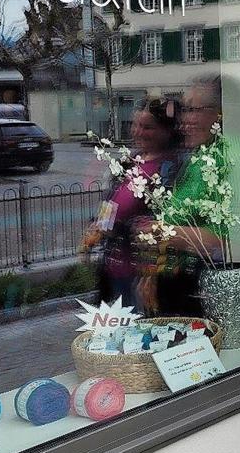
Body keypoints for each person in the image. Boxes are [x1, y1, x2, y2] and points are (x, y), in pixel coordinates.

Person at [136, 76, 228, 317]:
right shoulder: (195, 159)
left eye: (192, 110)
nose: (183, 121)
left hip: (205, 291)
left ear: (219, 114)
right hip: (176, 287)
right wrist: (152, 272)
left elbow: (231, 240)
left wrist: (164, 233)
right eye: (183, 110)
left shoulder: (226, 159)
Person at [82, 97, 180, 311]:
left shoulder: (170, 169)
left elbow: (159, 224)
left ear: (166, 131)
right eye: (135, 125)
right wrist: (98, 225)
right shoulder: (130, 160)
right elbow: (111, 202)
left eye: (147, 127)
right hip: (115, 271)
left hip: (143, 278)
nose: (137, 131)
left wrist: (116, 228)